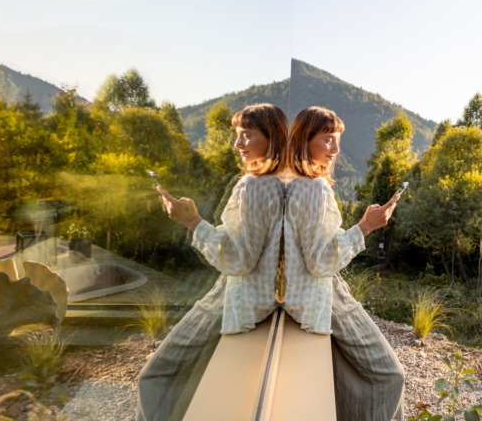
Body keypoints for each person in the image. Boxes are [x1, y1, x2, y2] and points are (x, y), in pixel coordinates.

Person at [135, 103, 288, 421]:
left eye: (246, 135)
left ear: (272, 138)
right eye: (237, 136)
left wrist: (193, 223)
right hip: (260, 296)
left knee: (155, 376)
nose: (238, 144)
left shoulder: (255, 186)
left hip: (237, 296)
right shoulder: (283, 182)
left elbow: (239, 259)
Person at [284, 106, 406, 421]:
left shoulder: (291, 183)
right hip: (320, 292)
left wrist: (336, 273)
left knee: (345, 369)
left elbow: (305, 245)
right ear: (303, 140)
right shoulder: (313, 187)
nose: (336, 149)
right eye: (328, 139)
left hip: (312, 288)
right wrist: (365, 227)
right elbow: (318, 261)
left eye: (337, 140)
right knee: (390, 376)